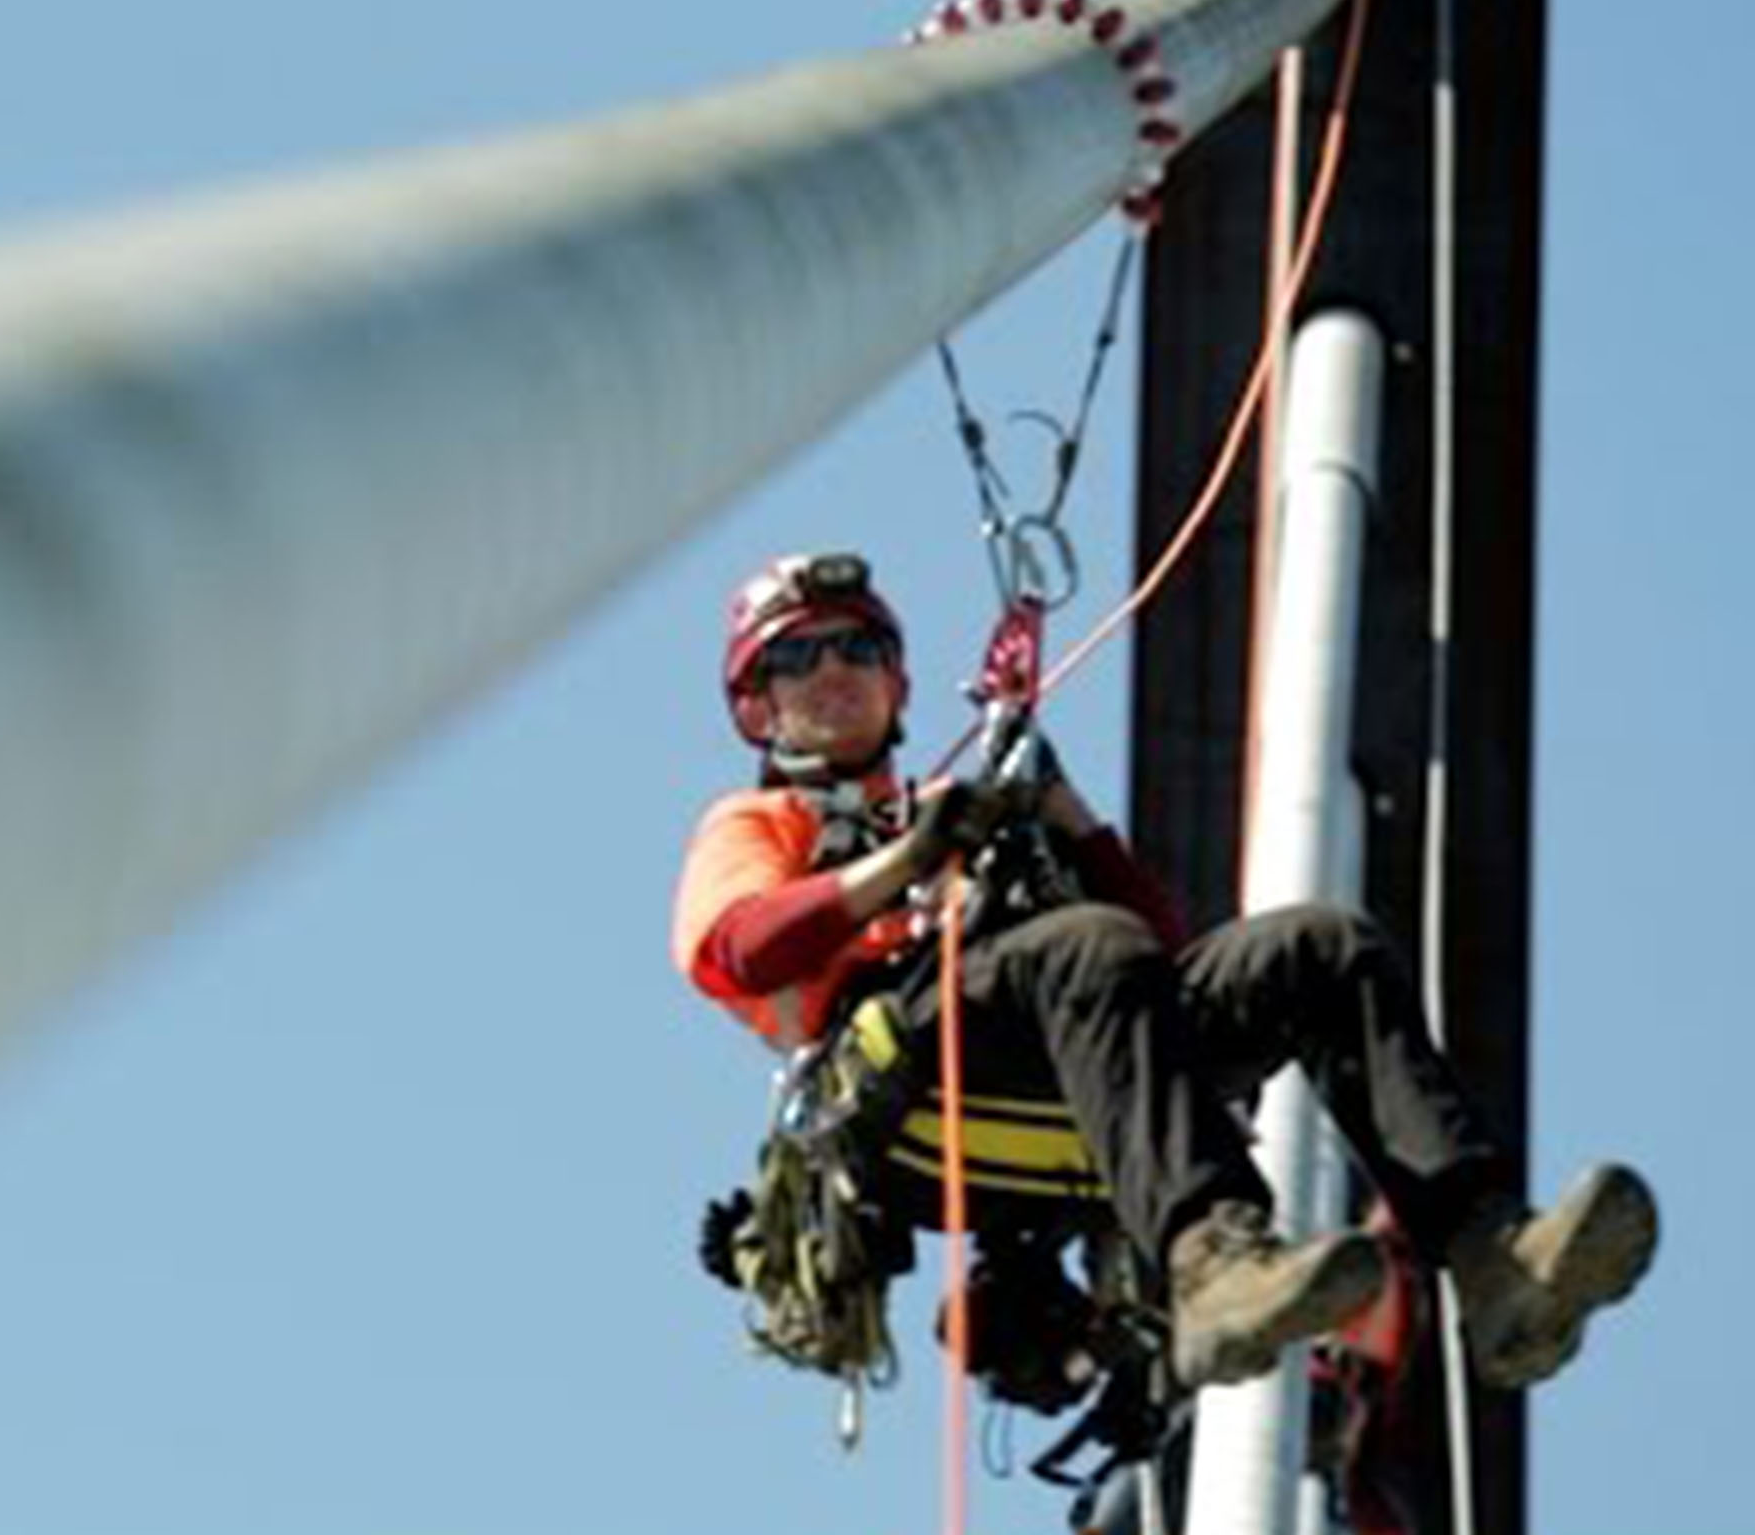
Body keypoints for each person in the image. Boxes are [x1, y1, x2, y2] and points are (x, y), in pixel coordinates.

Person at [671, 551, 1658, 1390]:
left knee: (1317, 947)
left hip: (1069, 1069)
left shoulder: (964, 808)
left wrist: (1062, 814)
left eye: (860, 647)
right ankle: (1212, 1263)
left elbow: (1160, 951)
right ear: (757, 706)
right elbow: (735, 947)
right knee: (1089, 943)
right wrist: (902, 862)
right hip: (914, 1101)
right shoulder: (766, 822)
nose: (834, 668)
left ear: (896, 682)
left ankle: (1492, 1259)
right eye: (797, 656)